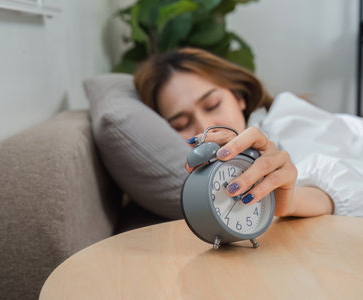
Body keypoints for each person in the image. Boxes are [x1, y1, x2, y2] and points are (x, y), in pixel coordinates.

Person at [134, 47, 363, 218]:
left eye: (213, 104)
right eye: (180, 124)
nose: (205, 127)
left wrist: (291, 201)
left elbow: (346, 184)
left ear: (239, 97)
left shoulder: (286, 120)